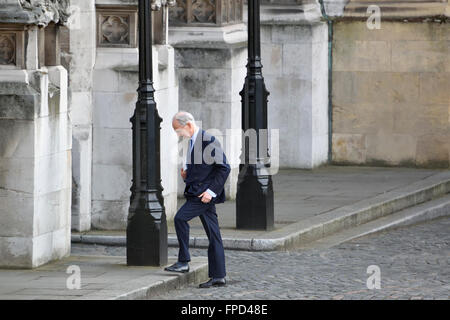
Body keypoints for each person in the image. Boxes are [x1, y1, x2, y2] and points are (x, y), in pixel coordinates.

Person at [164, 111, 231, 288]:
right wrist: (187, 175)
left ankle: (184, 261)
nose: (178, 134)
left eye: (178, 130)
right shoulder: (193, 141)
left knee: (180, 218)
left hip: (202, 196)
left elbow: (224, 168)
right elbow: (203, 169)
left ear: (188, 125)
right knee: (214, 235)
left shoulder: (208, 140)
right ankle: (219, 276)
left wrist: (211, 192)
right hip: (198, 192)